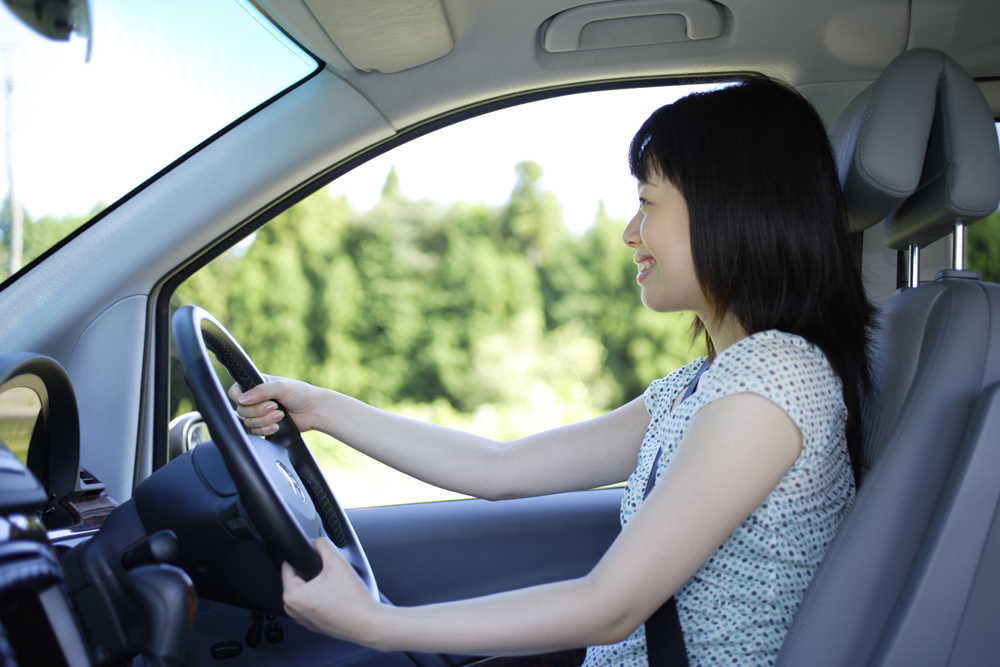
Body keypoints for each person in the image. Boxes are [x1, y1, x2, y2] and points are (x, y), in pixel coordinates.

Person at [229, 75, 875, 667]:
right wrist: (322, 409)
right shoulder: (705, 383)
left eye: (647, 202)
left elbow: (610, 606)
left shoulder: (773, 382)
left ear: (731, 209)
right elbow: (500, 467)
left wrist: (376, 622)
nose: (629, 231)